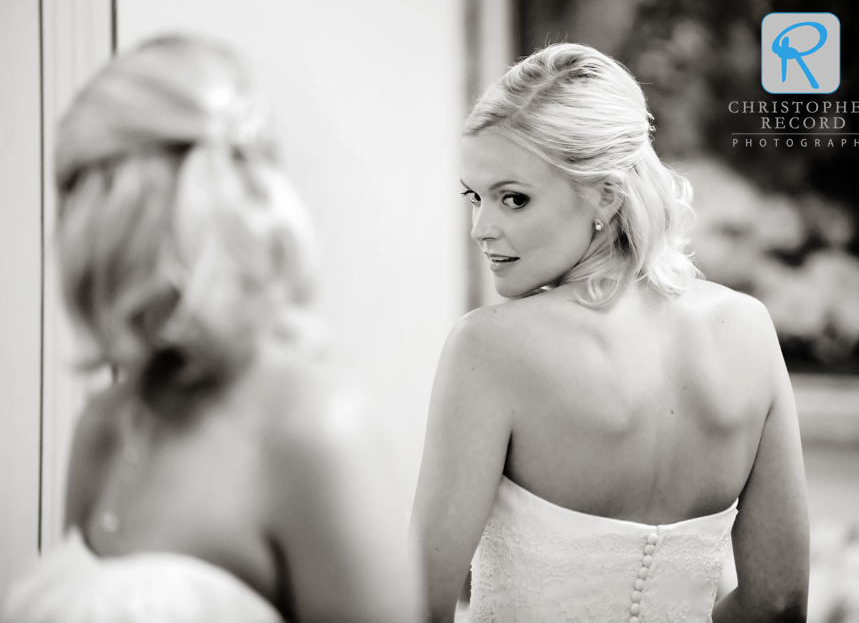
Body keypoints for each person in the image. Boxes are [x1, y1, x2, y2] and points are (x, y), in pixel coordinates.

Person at [3, 35, 422, 623]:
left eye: (76, 191)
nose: (63, 229)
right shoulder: (101, 429)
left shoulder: (315, 430)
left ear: (123, 204)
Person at [412, 43, 808, 623]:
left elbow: (414, 605)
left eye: (513, 198)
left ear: (605, 192)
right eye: (475, 196)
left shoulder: (490, 348)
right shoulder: (747, 329)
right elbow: (780, 603)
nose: (481, 227)